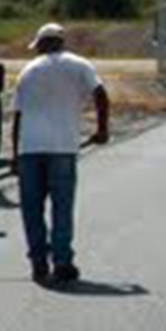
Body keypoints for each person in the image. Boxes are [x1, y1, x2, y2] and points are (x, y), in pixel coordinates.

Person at [11, 22, 109, 286]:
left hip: (29, 148)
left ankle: (39, 262)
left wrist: (14, 156)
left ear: (42, 44)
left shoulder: (28, 71)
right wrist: (102, 129)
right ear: (61, 42)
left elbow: (18, 116)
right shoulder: (80, 65)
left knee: (31, 209)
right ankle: (62, 261)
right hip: (63, 147)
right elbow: (101, 94)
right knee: (61, 207)